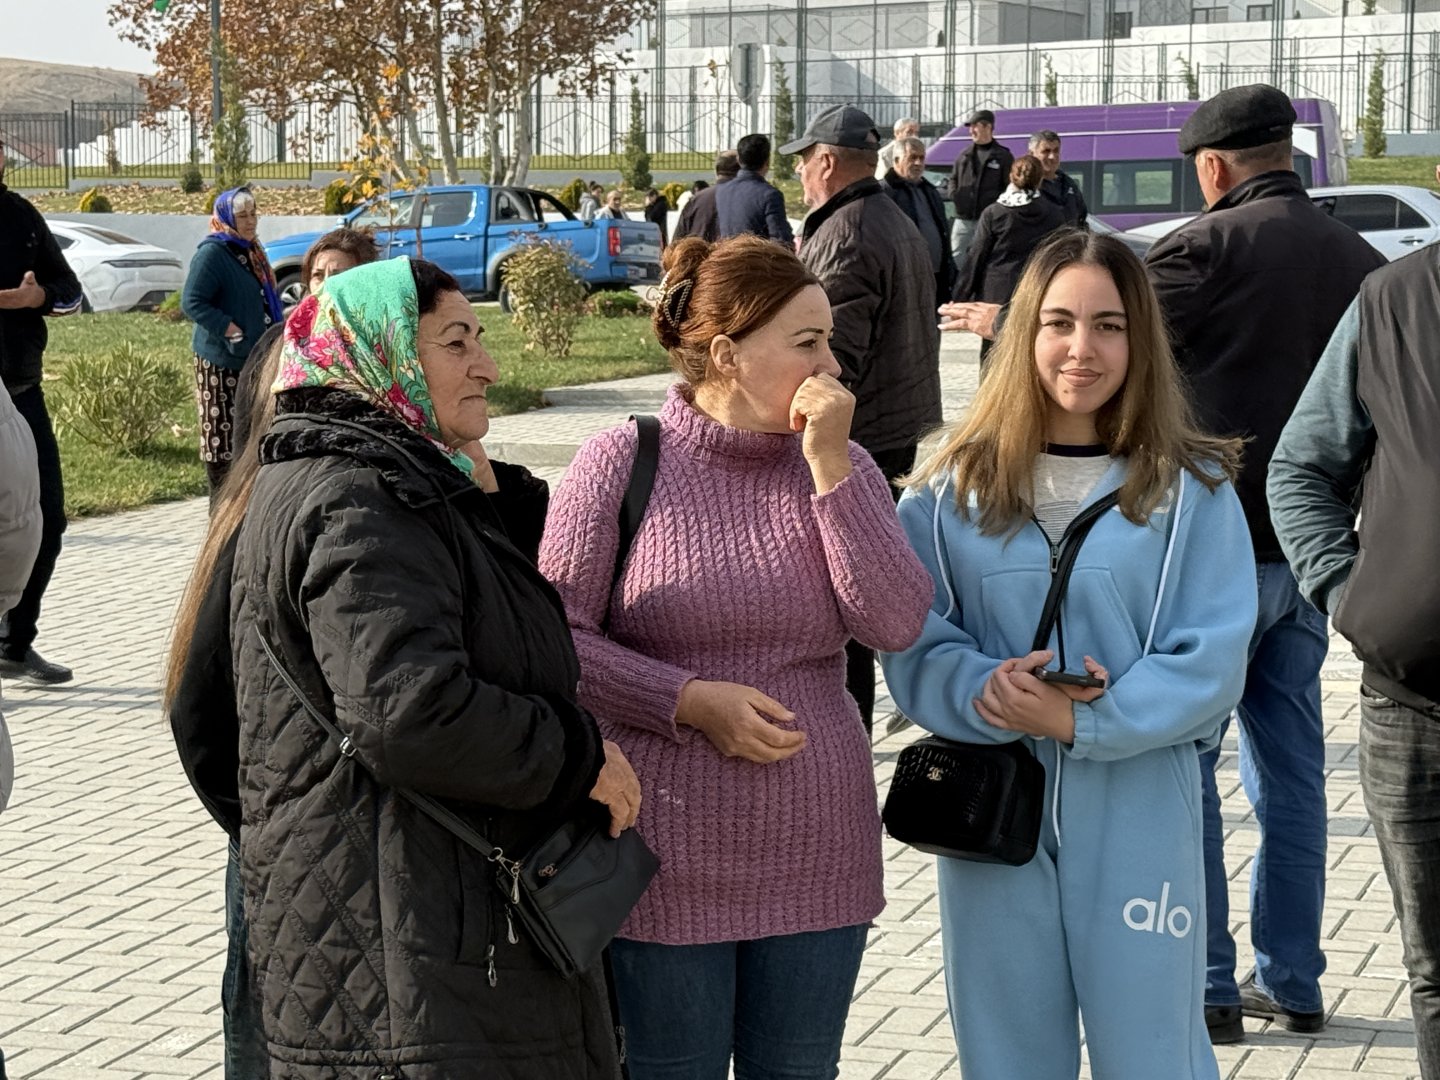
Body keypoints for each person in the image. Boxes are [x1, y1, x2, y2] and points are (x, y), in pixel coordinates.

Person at [192, 256, 639, 1078]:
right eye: (456, 341)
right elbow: (412, 712)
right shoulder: (358, 499)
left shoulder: (384, 483)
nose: (488, 366)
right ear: (385, 351)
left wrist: (484, 491)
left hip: (417, 931)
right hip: (410, 950)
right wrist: (578, 757)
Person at [538, 235, 932, 1079]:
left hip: (817, 849)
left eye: (830, 340)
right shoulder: (621, 461)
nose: (833, 363)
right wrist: (682, 699)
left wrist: (830, 467)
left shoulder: (841, 463)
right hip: (659, 853)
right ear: (726, 353)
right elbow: (553, 639)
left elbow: (895, 621)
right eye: (807, 343)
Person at [882, 229, 1256, 1080]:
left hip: (1138, 808)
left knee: (1152, 1053)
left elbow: (1211, 655)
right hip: (991, 810)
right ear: (1022, 333)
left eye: (1109, 325)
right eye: (1058, 322)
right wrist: (985, 687)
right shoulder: (950, 487)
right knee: (1007, 1055)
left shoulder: (1188, 489)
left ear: (1140, 341)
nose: (1081, 349)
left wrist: (1092, 718)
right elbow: (912, 632)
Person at [1144, 84, 1387, 1044]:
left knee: (1192, 769)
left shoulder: (1194, 252)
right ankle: (1293, 979)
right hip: (1315, 555)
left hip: (1207, 557)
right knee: (1291, 773)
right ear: (1293, 154)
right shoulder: (1363, 264)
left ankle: (1207, 982)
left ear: (1211, 169)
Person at [168, 227, 380, 1079]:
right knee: (266, 1005)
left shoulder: (427, 477)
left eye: (350, 286)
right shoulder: (270, 492)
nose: (324, 298)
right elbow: (201, 706)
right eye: (315, 281)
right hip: (280, 823)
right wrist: (261, 819)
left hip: (374, 839)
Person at [1268, 253, 1440, 1079]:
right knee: (1437, 970)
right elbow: (1301, 467)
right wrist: (1349, 594)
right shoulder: (1395, 300)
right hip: (1413, 708)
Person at [782, 102, 942, 734]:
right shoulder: (892, 217)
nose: (798, 174)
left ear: (824, 161)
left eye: (801, 162)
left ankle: (840, 737)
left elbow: (828, 360)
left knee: (842, 607)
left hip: (858, 442)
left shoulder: (845, 232)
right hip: (900, 429)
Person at [0, 134, 82, 686]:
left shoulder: (20, 215)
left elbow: (70, 290)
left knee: (46, 520)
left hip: (21, 394)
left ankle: (14, 643)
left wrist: (38, 299)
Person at [180, 186, 284, 496]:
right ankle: (222, 501)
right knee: (222, 439)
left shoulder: (251, 249)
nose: (250, 221)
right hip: (221, 361)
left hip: (254, 357)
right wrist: (230, 329)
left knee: (251, 429)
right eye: (242, 216)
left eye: (253, 214)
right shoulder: (213, 252)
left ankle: (248, 496)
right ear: (226, 217)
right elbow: (192, 301)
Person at [956, 154, 1068, 369]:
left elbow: (976, 255)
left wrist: (961, 296)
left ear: (1011, 176)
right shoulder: (1054, 214)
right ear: (1039, 180)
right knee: (1031, 354)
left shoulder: (995, 213)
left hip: (996, 294)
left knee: (994, 359)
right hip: (1036, 290)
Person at [882, 135, 957, 311]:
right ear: (897, 160)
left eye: (921, 158)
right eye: (912, 158)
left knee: (931, 329)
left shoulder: (930, 191)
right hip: (903, 277)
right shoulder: (885, 193)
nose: (917, 163)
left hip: (935, 276)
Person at [949, 108, 1015, 266]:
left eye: (974, 126)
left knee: (986, 258)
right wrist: (955, 195)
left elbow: (1010, 187)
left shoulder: (1003, 156)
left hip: (989, 220)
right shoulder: (964, 155)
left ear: (987, 127)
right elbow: (953, 179)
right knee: (957, 257)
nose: (971, 130)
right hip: (963, 219)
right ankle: (961, 287)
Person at [714, 133, 793, 244]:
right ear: (767, 162)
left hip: (727, 257)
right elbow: (781, 241)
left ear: (739, 160)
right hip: (757, 259)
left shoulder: (722, 191)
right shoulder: (770, 195)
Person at [674, 151, 740, 242]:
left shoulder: (697, 200)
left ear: (716, 171)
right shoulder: (748, 199)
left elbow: (677, 241)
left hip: (699, 253)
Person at [1032, 129, 1089, 228]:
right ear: (1032, 154)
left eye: (1056, 151)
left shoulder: (1068, 185)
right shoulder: (1028, 186)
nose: (1052, 156)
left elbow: (1082, 218)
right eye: (1046, 151)